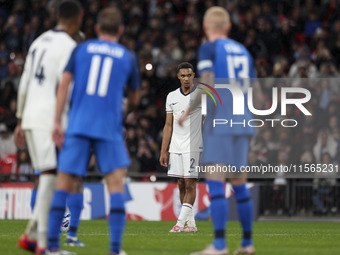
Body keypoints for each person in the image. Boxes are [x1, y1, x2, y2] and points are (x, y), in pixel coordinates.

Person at [47, 6, 140, 255]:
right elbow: (135, 96)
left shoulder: (81, 48)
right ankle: (115, 249)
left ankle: (53, 248)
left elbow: (64, 83)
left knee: (63, 184)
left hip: (78, 124)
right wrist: (125, 106)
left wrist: (57, 121)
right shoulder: (128, 56)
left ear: (97, 29)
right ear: (121, 30)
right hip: (108, 126)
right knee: (116, 186)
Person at [180, 7, 263, 255]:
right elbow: (257, 93)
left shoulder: (209, 48)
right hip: (243, 122)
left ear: (206, 27)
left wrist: (188, 111)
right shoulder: (243, 51)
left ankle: (219, 246)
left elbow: (207, 80)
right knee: (239, 184)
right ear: (227, 27)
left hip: (220, 121)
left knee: (216, 183)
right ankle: (247, 244)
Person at [14, 1, 83, 254]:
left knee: (47, 175)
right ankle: (44, 244)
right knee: (51, 176)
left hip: (31, 117)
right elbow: (66, 86)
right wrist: (61, 121)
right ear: (78, 19)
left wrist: (20, 119)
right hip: (48, 119)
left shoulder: (38, 42)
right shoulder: (70, 47)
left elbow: (24, 81)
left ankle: (33, 235)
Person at [160, 62, 202, 233]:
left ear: (193, 76)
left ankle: (179, 223)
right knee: (181, 184)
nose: (186, 78)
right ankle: (191, 225)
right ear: (178, 77)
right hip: (175, 146)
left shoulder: (201, 95)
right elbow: (168, 125)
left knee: (190, 183)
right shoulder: (171, 97)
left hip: (193, 145)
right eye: (183, 75)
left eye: (189, 75)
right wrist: (164, 150)